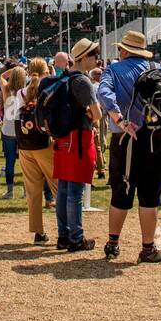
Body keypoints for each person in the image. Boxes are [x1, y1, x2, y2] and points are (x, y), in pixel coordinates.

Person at [96, 30, 161, 263]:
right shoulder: (160, 70)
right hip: (154, 138)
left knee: (120, 192)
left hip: (124, 138)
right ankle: (148, 248)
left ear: (124, 50)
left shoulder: (113, 70)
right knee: (150, 197)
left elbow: (104, 93)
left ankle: (113, 243)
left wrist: (119, 119)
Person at [56, 39, 102, 253]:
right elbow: (97, 114)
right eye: (94, 54)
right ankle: (76, 238)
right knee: (75, 191)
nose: (97, 58)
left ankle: (64, 235)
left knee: (64, 189)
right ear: (84, 57)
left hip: (63, 138)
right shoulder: (83, 81)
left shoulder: (64, 77)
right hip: (78, 138)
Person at [17, 58, 58, 244]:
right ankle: (65, 229)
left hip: (25, 144)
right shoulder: (49, 89)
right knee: (59, 188)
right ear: (46, 70)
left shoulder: (21, 92)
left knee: (33, 192)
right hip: (45, 144)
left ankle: (38, 233)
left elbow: (12, 115)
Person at [0, 65, 25, 199]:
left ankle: (10, 191)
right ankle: (26, 191)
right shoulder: (26, 92)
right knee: (26, 163)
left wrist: (13, 70)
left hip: (8, 130)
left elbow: (1, 76)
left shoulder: (6, 90)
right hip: (22, 131)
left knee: (9, 162)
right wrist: (21, 69)